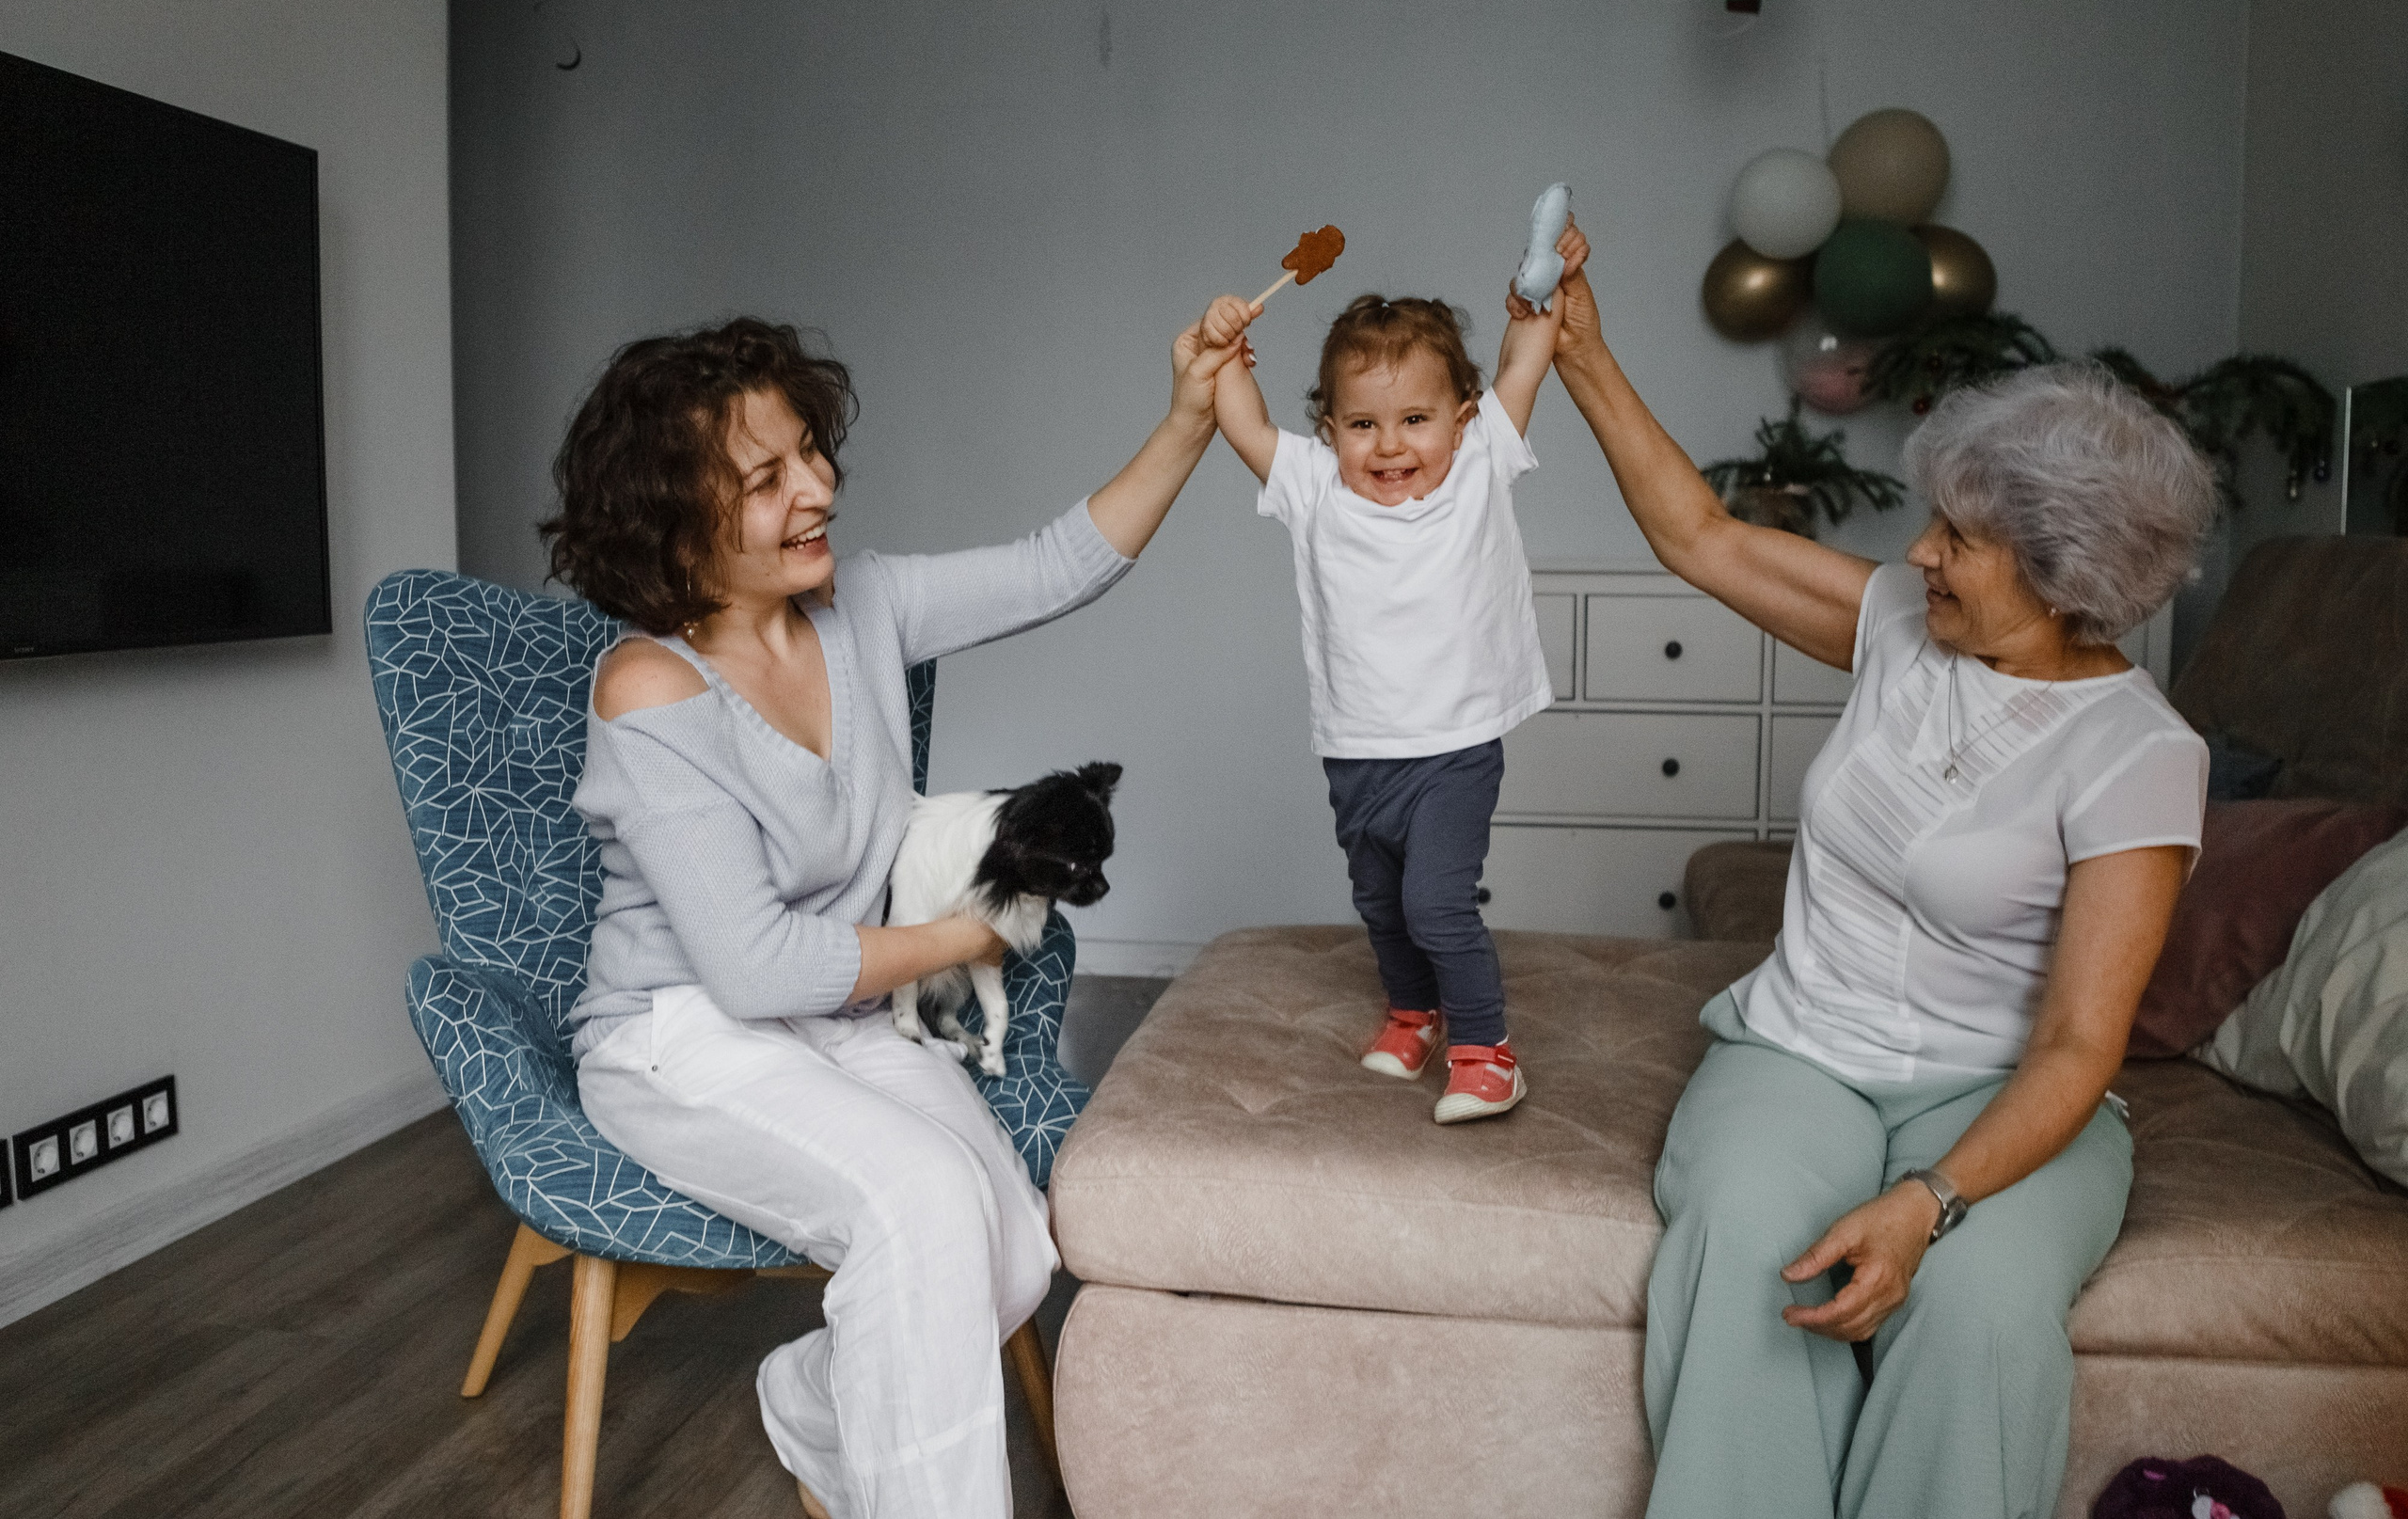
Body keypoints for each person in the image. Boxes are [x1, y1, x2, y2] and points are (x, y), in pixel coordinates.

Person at [1531, 222, 2219, 1519]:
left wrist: (1931, 1199)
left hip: (2003, 1097)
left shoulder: (2140, 752)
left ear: (2067, 572)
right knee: (1749, 1244)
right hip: (1803, 1049)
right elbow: (1701, 537)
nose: (1920, 555)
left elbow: (2078, 1044)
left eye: (1959, 538)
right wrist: (1585, 357)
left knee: (1982, 1301)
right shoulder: (1906, 629)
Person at [541, 310, 1241, 1519]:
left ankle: (812, 1403)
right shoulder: (650, 686)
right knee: (920, 1210)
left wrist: (1188, 417)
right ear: (675, 516)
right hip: (680, 1035)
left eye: (811, 451)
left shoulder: (861, 606)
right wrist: (978, 931)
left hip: (842, 1016)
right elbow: (755, 970)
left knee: (1015, 1247)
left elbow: (1058, 563)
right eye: (767, 478)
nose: (817, 487)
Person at [1201, 279, 1566, 1123]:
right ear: (1330, 430)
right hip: (1357, 752)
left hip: (1454, 749)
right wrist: (1222, 348)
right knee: (1381, 905)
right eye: (1363, 424)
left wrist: (1540, 296)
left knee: (1436, 901)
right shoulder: (1315, 487)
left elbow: (1524, 362)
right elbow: (1245, 423)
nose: (1390, 445)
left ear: (1461, 418)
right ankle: (1415, 1013)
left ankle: (1486, 1049)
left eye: (1415, 420)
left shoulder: (1481, 463)